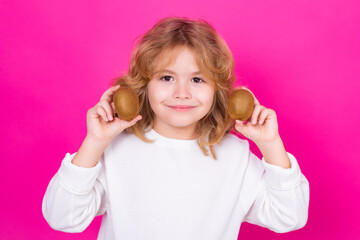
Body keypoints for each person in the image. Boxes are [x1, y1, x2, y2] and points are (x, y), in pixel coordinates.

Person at [42, 16, 309, 240]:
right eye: (167, 77)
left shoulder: (235, 156)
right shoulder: (116, 151)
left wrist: (271, 146)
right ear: (143, 86)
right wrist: (94, 143)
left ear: (218, 91)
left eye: (197, 79)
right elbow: (63, 218)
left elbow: (289, 217)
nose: (181, 93)